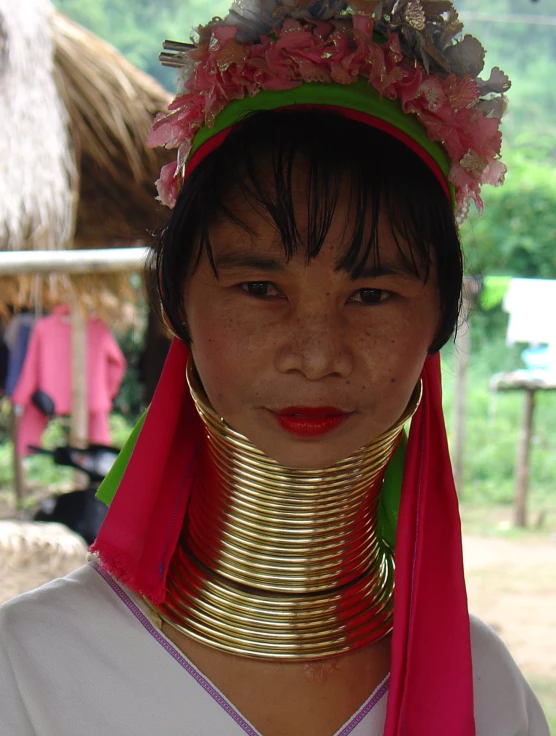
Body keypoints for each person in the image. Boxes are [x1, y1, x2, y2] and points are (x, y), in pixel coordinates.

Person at [0, 1, 550, 734]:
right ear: (175, 305)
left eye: (374, 294)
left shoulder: (490, 695)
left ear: (440, 322)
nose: (317, 354)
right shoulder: (29, 672)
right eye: (260, 289)